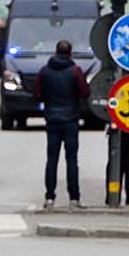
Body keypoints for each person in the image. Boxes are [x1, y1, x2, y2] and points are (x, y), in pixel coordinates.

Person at [32, 39, 89, 209]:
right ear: (70, 53)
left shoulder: (44, 71)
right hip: (70, 119)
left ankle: (49, 197)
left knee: (52, 160)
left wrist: (48, 101)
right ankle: (74, 198)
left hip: (52, 119)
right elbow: (85, 92)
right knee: (71, 160)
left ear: (55, 52)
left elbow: (36, 94)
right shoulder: (75, 71)